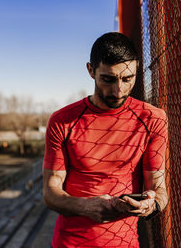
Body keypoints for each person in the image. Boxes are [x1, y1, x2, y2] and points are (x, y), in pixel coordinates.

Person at [42, 32, 169, 248]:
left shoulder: (153, 119)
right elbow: (50, 192)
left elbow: (159, 189)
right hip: (70, 243)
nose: (118, 90)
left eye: (127, 79)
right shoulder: (63, 121)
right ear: (91, 71)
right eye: (108, 79)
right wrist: (85, 207)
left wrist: (152, 204)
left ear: (136, 69)